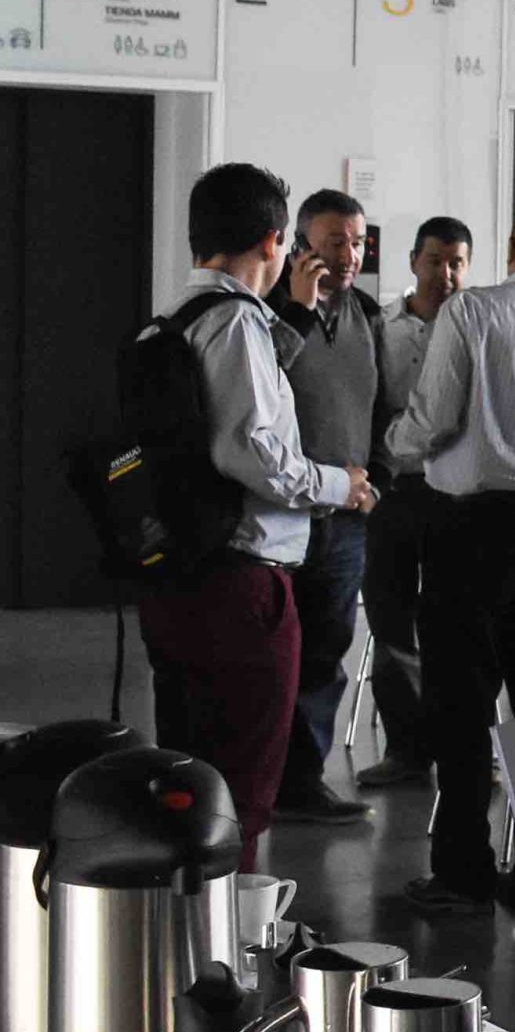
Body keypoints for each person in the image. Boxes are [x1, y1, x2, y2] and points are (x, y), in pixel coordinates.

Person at [140, 164, 374, 869]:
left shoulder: (169, 323)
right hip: (240, 583)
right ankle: (228, 953)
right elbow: (257, 455)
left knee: (188, 775)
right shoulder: (238, 325)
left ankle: (185, 937)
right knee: (240, 787)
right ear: (276, 240)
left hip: (174, 574)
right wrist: (342, 485)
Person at [388, 203, 515, 915]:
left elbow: (433, 419)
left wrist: (393, 449)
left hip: (468, 528)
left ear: (507, 248)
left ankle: (463, 870)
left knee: (461, 708)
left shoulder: (473, 313)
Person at [266, 188, 390, 825]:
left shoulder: (368, 315)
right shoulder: (270, 314)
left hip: (346, 518)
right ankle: (263, 775)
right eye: (336, 242)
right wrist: (297, 308)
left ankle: (302, 781)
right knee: (273, 654)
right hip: (282, 513)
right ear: (301, 246)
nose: (349, 255)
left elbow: (384, 408)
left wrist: (381, 485)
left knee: (325, 652)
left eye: (359, 242)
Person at [355, 215, 470, 788]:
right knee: (391, 620)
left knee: (456, 625)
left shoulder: (476, 325)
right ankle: (405, 751)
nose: (446, 275)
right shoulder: (381, 327)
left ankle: (461, 751)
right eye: (435, 261)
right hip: (396, 493)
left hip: (456, 497)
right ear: (413, 262)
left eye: (456, 263)